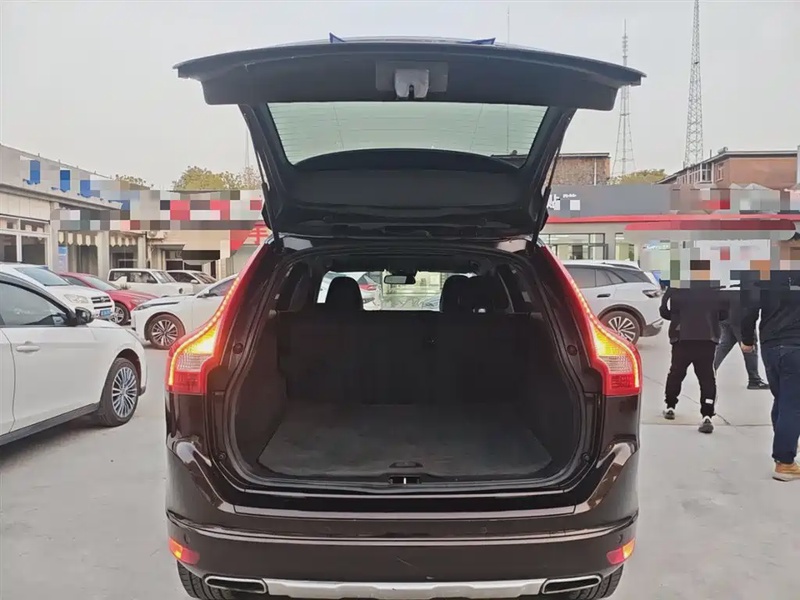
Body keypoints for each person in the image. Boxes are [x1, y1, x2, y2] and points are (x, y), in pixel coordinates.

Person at [740, 241, 800, 481]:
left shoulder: (763, 269)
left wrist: (747, 339)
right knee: (792, 403)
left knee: (783, 399)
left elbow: (748, 308)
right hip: (795, 346)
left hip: (770, 345)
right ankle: (785, 462)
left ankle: (784, 448)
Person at [660, 260, 729, 434]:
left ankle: (670, 406)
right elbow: (724, 315)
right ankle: (707, 414)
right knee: (706, 377)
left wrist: (678, 316)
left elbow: (665, 311)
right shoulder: (716, 290)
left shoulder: (677, 289)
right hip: (707, 339)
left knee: (676, 372)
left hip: (681, 338)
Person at [713, 285, 770, 389]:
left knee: (726, 342)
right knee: (748, 341)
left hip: (722, 295)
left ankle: (709, 371)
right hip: (740, 296)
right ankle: (754, 380)